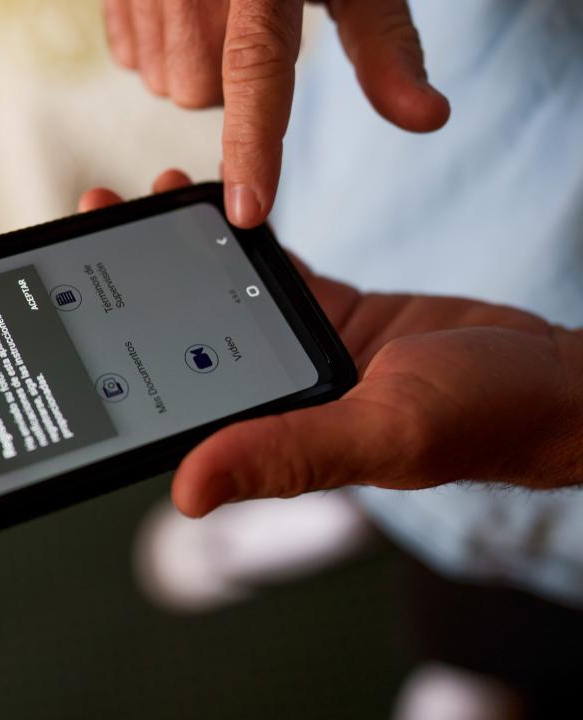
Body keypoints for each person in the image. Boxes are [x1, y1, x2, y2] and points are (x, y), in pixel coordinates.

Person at [91, 0, 583, 717]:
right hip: (453, 95)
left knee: (471, 442)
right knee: (364, 369)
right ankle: (359, 506)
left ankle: (482, 659)